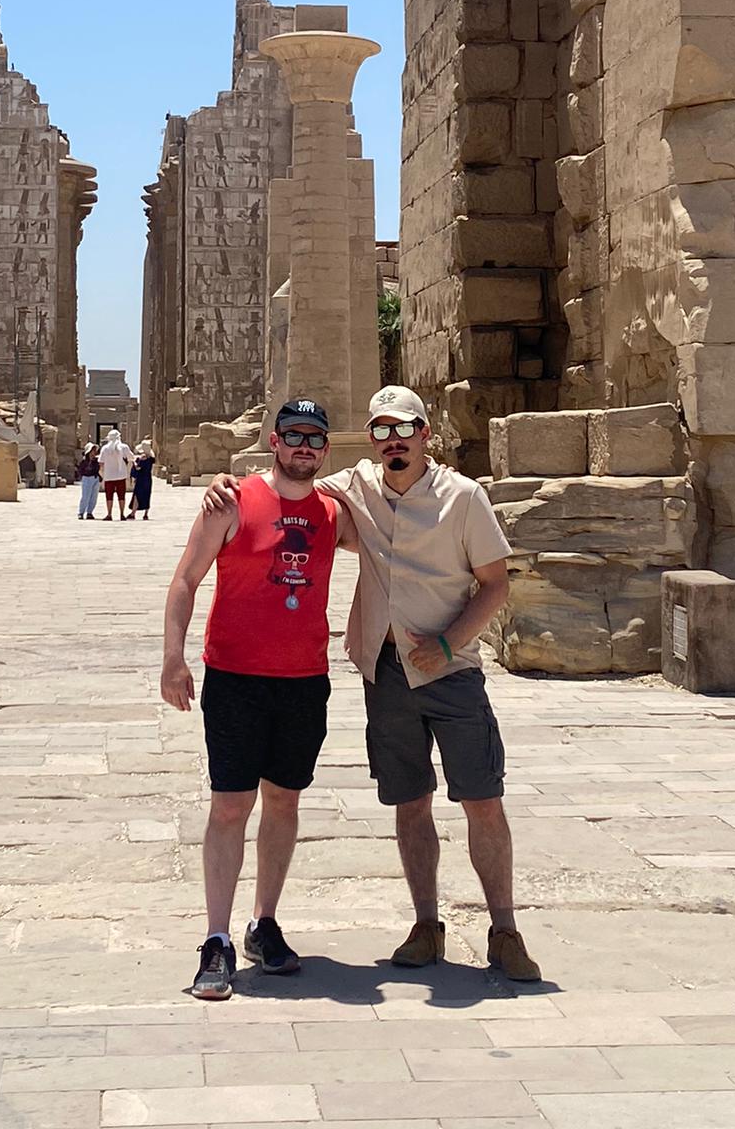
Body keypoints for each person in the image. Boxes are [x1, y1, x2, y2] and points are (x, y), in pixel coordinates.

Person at [204, 384, 540, 983]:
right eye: (381, 431)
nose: (393, 441)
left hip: (451, 670)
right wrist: (229, 484)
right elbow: (290, 485)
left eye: (403, 429)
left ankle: (505, 929)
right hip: (387, 671)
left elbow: (496, 584)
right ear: (370, 441)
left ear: (424, 435)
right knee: (410, 802)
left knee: (482, 799)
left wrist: (448, 644)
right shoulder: (356, 488)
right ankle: (426, 924)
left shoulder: (464, 497)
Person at [162, 398, 357, 1001]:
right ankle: (216, 937)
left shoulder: (334, 513)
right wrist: (172, 657)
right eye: (294, 434)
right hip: (236, 676)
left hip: (304, 678)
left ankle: (263, 923)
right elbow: (186, 578)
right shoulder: (232, 501)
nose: (304, 446)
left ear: (326, 449)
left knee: (284, 800)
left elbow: (399, 520)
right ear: (274, 441)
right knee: (230, 804)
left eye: (315, 438)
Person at [98, 428, 134, 520]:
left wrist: (102, 474)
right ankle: (122, 514)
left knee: (109, 496)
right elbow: (131, 457)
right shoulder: (124, 447)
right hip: (121, 475)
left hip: (109, 476)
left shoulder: (105, 449)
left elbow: (101, 463)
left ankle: (109, 514)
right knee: (121, 496)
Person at [128, 440, 155, 521]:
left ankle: (133, 513)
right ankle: (145, 514)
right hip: (148, 479)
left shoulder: (143, 459)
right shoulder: (151, 459)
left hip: (141, 479)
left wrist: (134, 463)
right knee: (147, 495)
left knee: (137, 495)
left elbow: (138, 468)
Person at [77, 442, 101, 520]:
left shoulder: (96, 461)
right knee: (85, 496)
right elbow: (81, 470)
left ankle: (90, 512)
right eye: (92, 451)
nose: (93, 452)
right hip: (87, 478)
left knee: (93, 497)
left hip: (95, 478)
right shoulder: (84, 461)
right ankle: (81, 512)